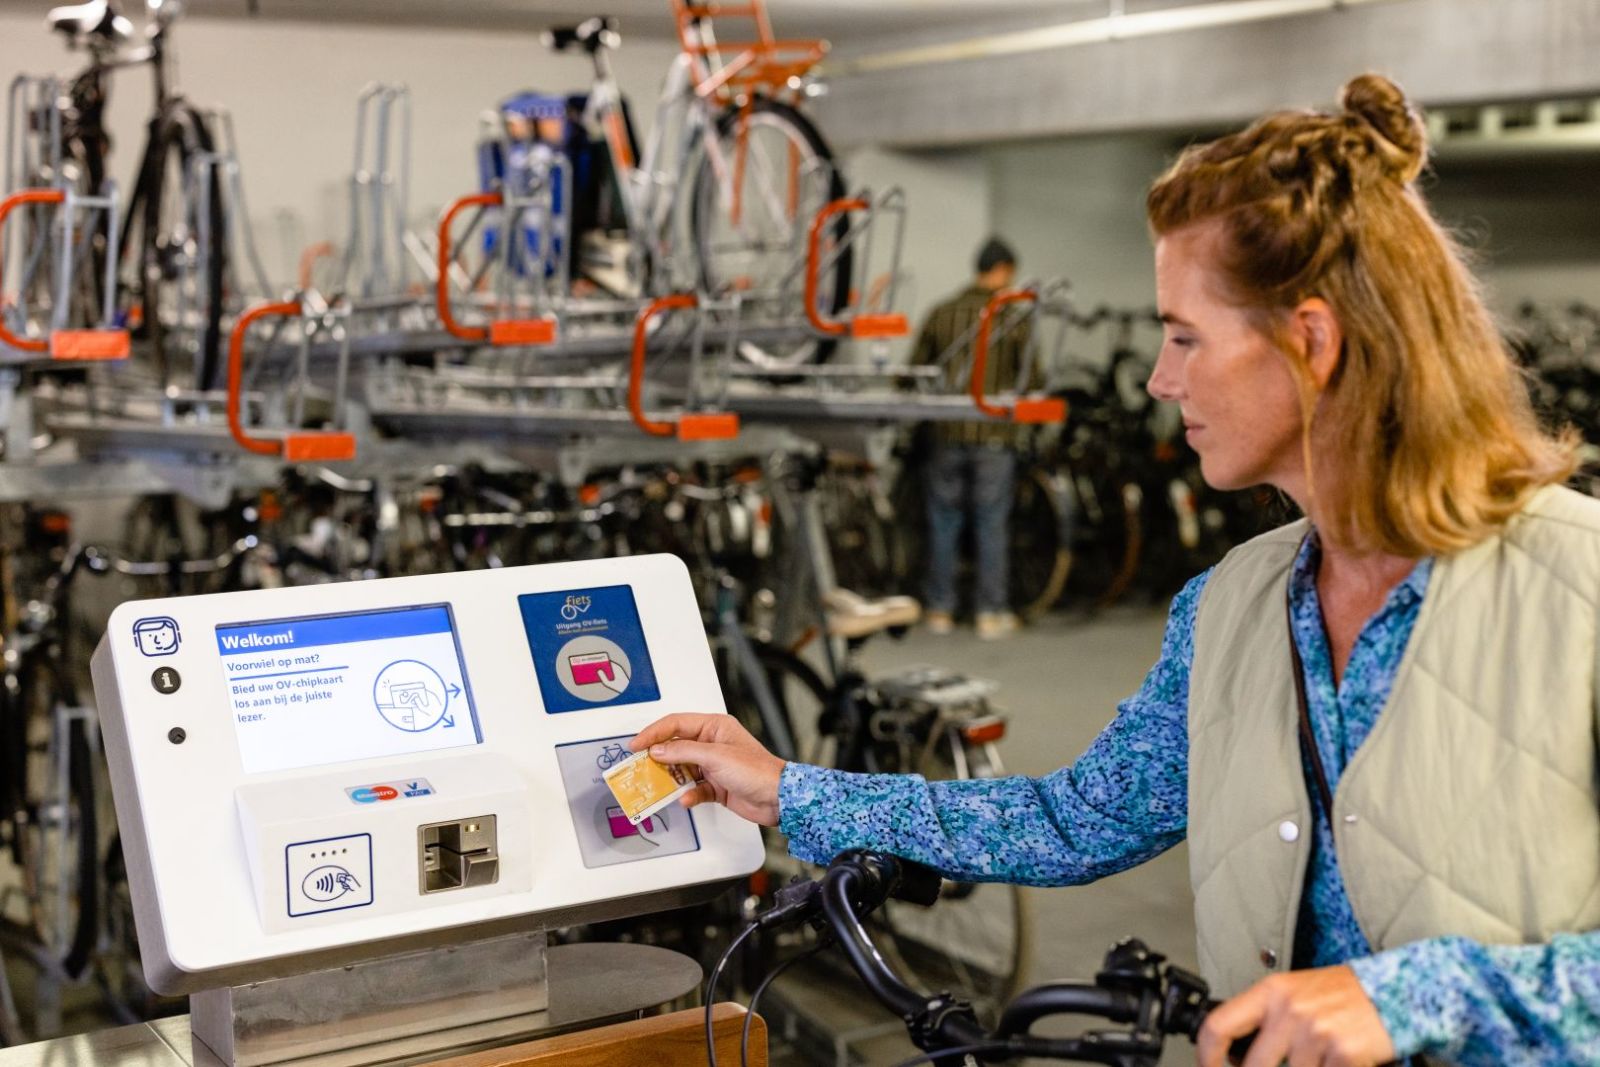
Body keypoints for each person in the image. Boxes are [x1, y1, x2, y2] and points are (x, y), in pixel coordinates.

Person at [631, 72, 1600, 1067]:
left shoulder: (1579, 588)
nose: (1157, 377)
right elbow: (1074, 816)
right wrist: (787, 788)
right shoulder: (1230, 607)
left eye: (1183, 335)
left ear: (1310, 341)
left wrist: (1412, 996)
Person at [909, 237, 1038, 639]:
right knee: (990, 523)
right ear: (1002, 269)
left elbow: (914, 372)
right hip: (994, 436)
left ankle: (940, 610)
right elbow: (1031, 379)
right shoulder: (1012, 319)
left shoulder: (941, 314)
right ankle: (989, 611)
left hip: (945, 433)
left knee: (943, 521)